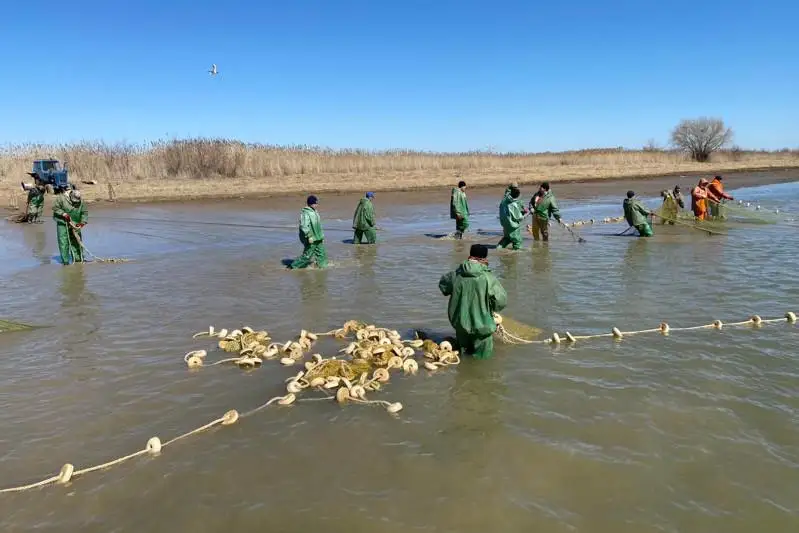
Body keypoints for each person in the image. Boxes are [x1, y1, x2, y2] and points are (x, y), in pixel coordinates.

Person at [438, 244, 507, 360]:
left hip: (460, 326)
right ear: (485, 259)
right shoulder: (489, 278)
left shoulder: (455, 275)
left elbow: (443, 286)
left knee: (463, 358)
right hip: (482, 329)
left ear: (470, 256)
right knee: (482, 364)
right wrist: (492, 309)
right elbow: (501, 301)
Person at [288, 195, 328, 269]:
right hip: (311, 238)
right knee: (307, 256)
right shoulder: (305, 213)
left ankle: (323, 267)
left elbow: (319, 225)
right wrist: (309, 236)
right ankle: (292, 267)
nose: (317, 204)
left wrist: (322, 236)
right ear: (312, 203)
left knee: (321, 254)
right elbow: (304, 226)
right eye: (316, 203)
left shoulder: (315, 211)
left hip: (318, 237)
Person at [52, 189, 88, 265]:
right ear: (70, 196)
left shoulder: (81, 201)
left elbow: (84, 213)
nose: (75, 202)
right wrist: (63, 214)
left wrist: (82, 223)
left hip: (75, 224)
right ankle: (65, 261)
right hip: (63, 223)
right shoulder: (61, 198)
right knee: (63, 243)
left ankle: (78, 259)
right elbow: (55, 208)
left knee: (77, 241)